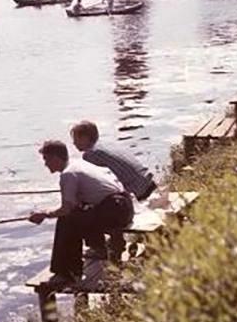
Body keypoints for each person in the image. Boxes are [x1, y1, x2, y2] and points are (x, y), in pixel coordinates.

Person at [29, 140, 134, 285]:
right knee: (80, 212)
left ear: (55, 158)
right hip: (125, 207)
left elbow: (66, 209)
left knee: (67, 220)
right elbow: (77, 203)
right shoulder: (78, 164)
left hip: (114, 211)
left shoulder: (68, 174)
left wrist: (44, 214)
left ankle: (67, 272)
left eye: (46, 159)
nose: (46, 164)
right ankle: (99, 247)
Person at [70, 120, 157, 201]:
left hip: (137, 190)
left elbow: (94, 185)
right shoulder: (106, 144)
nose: (73, 143)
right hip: (148, 181)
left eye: (76, 138)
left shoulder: (90, 154)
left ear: (85, 138)